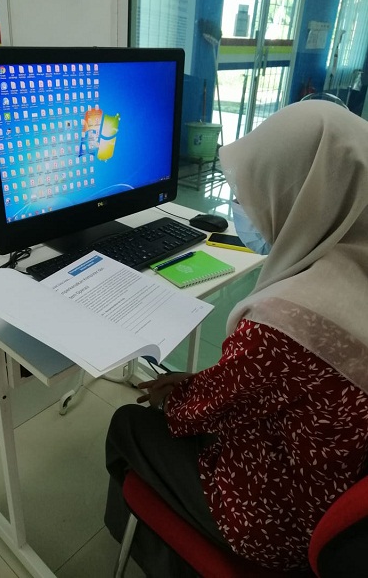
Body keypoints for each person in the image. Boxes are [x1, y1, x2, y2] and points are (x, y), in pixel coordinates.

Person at [104, 100, 368, 576]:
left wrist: (177, 394)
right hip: (332, 494)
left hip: (274, 521)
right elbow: (272, 385)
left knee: (128, 424)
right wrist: (209, 381)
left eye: (250, 196)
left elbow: (194, 414)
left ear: (304, 198)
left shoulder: (286, 321)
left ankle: (136, 537)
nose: (241, 211)